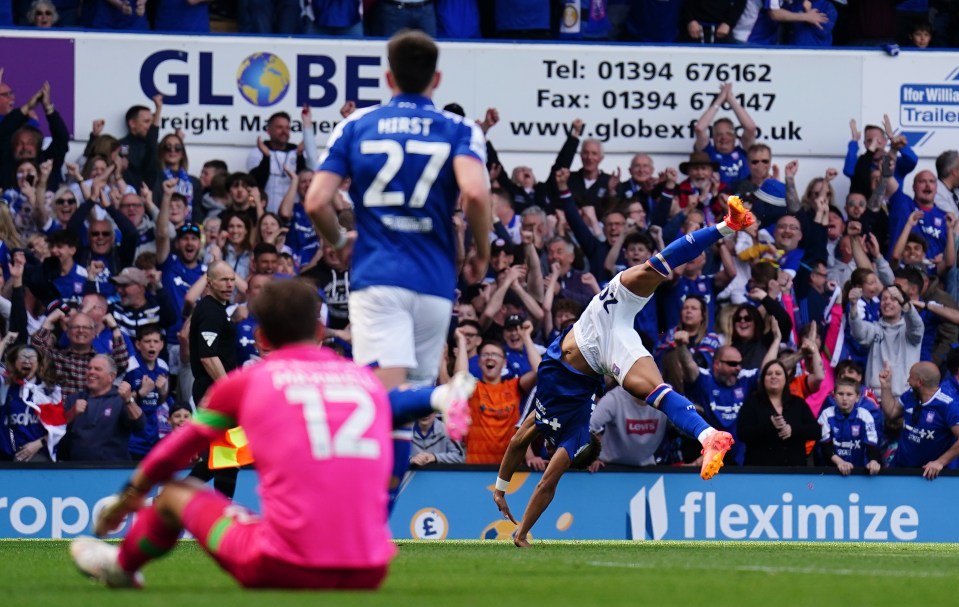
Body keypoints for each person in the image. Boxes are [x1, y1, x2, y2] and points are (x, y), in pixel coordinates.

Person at [70, 279, 396, 589]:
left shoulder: (247, 382)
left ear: (261, 338)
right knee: (232, 463)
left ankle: (122, 567)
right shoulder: (367, 382)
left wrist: (130, 497)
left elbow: (173, 453)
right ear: (321, 330)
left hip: (280, 564)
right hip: (370, 569)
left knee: (173, 493)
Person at [492, 197, 754, 548]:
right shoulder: (572, 436)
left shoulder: (542, 421)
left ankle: (728, 225)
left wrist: (501, 489)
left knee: (656, 268)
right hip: (606, 342)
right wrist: (517, 523)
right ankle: (708, 437)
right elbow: (544, 483)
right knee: (657, 387)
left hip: (600, 327)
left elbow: (518, 446)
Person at [305, 30, 491, 395]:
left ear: (388, 78)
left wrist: (340, 240)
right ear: (436, 80)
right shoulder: (460, 129)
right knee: (411, 400)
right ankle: (442, 400)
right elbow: (475, 193)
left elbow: (315, 201)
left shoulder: (357, 125)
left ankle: (439, 402)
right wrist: (480, 253)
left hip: (378, 276)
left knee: (382, 401)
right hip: (435, 281)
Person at [186, 261, 239, 497]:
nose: (230, 285)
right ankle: (170, 497)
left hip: (213, 388)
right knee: (226, 452)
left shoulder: (217, 309)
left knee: (225, 454)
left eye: (232, 279)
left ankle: (221, 508)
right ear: (210, 283)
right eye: (223, 280)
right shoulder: (209, 311)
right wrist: (229, 389)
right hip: (213, 388)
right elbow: (208, 357)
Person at [880, 362, 959, 479]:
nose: (908, 380)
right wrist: (886, 386)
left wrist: (940, 462)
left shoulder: (948, 405)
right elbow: (891, 412)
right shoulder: (911, 395)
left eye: (910, 377)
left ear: (920, 382)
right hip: (899, 469)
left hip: (927, 476)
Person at [736, 359, 821, 467]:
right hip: (760, 471)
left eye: (778, 373)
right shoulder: (752, 402)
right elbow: (742, 433)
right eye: (769, 373)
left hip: (794, 471)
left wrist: (792, 429)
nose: (773, 376)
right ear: (763, 379)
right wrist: (769, 426)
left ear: (785, 378)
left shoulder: (798, 403)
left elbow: (816, 431)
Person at [62, 355, 144, 462]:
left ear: (112, 377)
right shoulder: (74, 398)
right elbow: (57, 429)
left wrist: (129, 400)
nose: (91, 372)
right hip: (76, 469)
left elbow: (139, 425)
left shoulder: (121, 400)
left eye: (98, 369)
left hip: (112, 470)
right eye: (89, 368)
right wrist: (72, 413)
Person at [818, 376, 882, 476]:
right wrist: (840, 462)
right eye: (840, 394)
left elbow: (872, 445)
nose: (844, 398)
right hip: (831, 472)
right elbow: (825, 447)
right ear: (834, 396)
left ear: (857, 397)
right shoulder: (826, 415)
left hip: (858, 473)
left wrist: (873, 461)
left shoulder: (865, 416)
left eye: (849, 394)